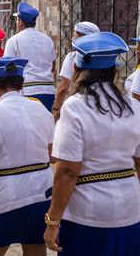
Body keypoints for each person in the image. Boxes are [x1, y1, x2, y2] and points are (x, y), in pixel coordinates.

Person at [43, 32, 140, 256]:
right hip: (130, 209)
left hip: (88, 214)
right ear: (114, 72)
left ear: (77, 70)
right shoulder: (133, 107)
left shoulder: (74, 106)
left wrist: (52, 220)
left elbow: (67, 171)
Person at [0, 57, 55, 256]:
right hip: (40, 194)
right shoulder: (40, 108)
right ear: (22, 84)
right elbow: (51, 153)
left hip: (4, 198)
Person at [4, 2, 56, 111]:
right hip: (48, 92)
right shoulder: (48, 40)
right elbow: (53, 67)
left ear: (20, 22)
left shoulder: (14, 41)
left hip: (27, 92)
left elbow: (7, 68)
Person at [53, 22, 100, 121]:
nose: (72, 39)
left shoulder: (72, 56)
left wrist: (56, 108)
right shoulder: (99, 58)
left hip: (73, 106)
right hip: (95, 105)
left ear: (82, 37)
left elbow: (63, 88)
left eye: (74, 35)